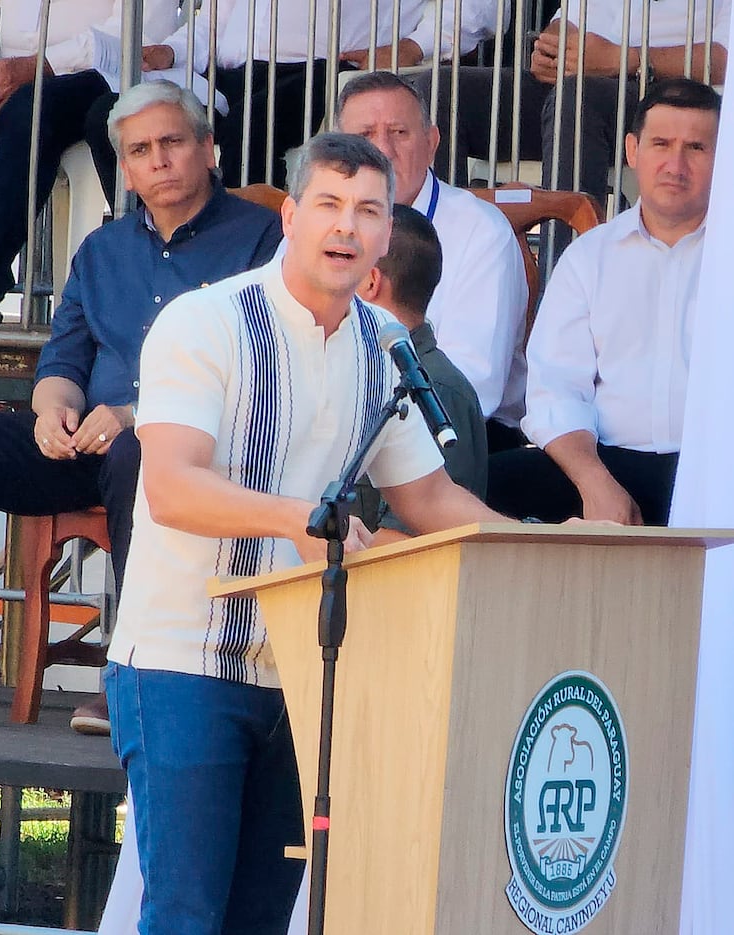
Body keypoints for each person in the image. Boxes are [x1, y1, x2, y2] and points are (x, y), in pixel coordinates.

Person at [104, 131, 510, 934]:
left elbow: (429, 497)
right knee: (186, 915)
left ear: (387, 235)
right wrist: (300, 518)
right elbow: (174, 486)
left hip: (304, 671)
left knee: (261, 918)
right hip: (184, 661)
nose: (346, 227)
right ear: (290, 216)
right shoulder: (204, 321)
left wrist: (533, 541)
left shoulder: (383, 346)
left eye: (367, 210)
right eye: (328, 204)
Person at [0, 80, 283, 724]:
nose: (158, 160)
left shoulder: (263, 241)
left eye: (172, 142)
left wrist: (139, 415)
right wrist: (53, 408)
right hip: (85, 443)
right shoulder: (102, 250)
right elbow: (64, 360)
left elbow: (261, 372)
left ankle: (137, 672)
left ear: (209, 150)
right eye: (139, 150)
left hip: (197, 448)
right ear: (126, 171)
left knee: (140, 450)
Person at [486, 78, 720, 525]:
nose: (675, 164)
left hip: (714, 468)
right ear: (633, 151)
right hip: (609, 463)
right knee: (487, 487)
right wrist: (595, 482)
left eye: (696, 147)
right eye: (661, 143)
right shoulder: (589, 257)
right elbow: (555, 390)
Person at [85, 0, 506, 195]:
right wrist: (173, 50)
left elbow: (482, 6)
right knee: (111, 115)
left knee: (252, 129)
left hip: (328, 68)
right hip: (221, 73)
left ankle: (232, 258)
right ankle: (150, 246)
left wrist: (415, 45)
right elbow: (215, 20)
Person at [335, 70, 528, 451]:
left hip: (451, 440)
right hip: (335, 434)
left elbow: (471, 388)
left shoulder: (481, 231)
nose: (383, 152)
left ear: (432, 142)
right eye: (364, 137)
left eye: (399, 133)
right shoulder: (318, 226)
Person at [0, 0, 180, 329]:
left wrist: (39, 65)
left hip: (97, 75)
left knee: (31, 110)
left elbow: (141, 34)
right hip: (2, 71)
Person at [420, 0, 729, 211]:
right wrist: (551, 52)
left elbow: (725, 57)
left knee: (577, 97)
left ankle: (562, 268)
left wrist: (625, 59)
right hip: (575, 85)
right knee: (439, 90)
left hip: (670, 97)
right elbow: (565, 24)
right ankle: (435, 254)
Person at [355, 202, 488, 532]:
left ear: (371, 282)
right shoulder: (361, 371)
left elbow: (408, 547)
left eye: (344, 263)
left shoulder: (437, 391)